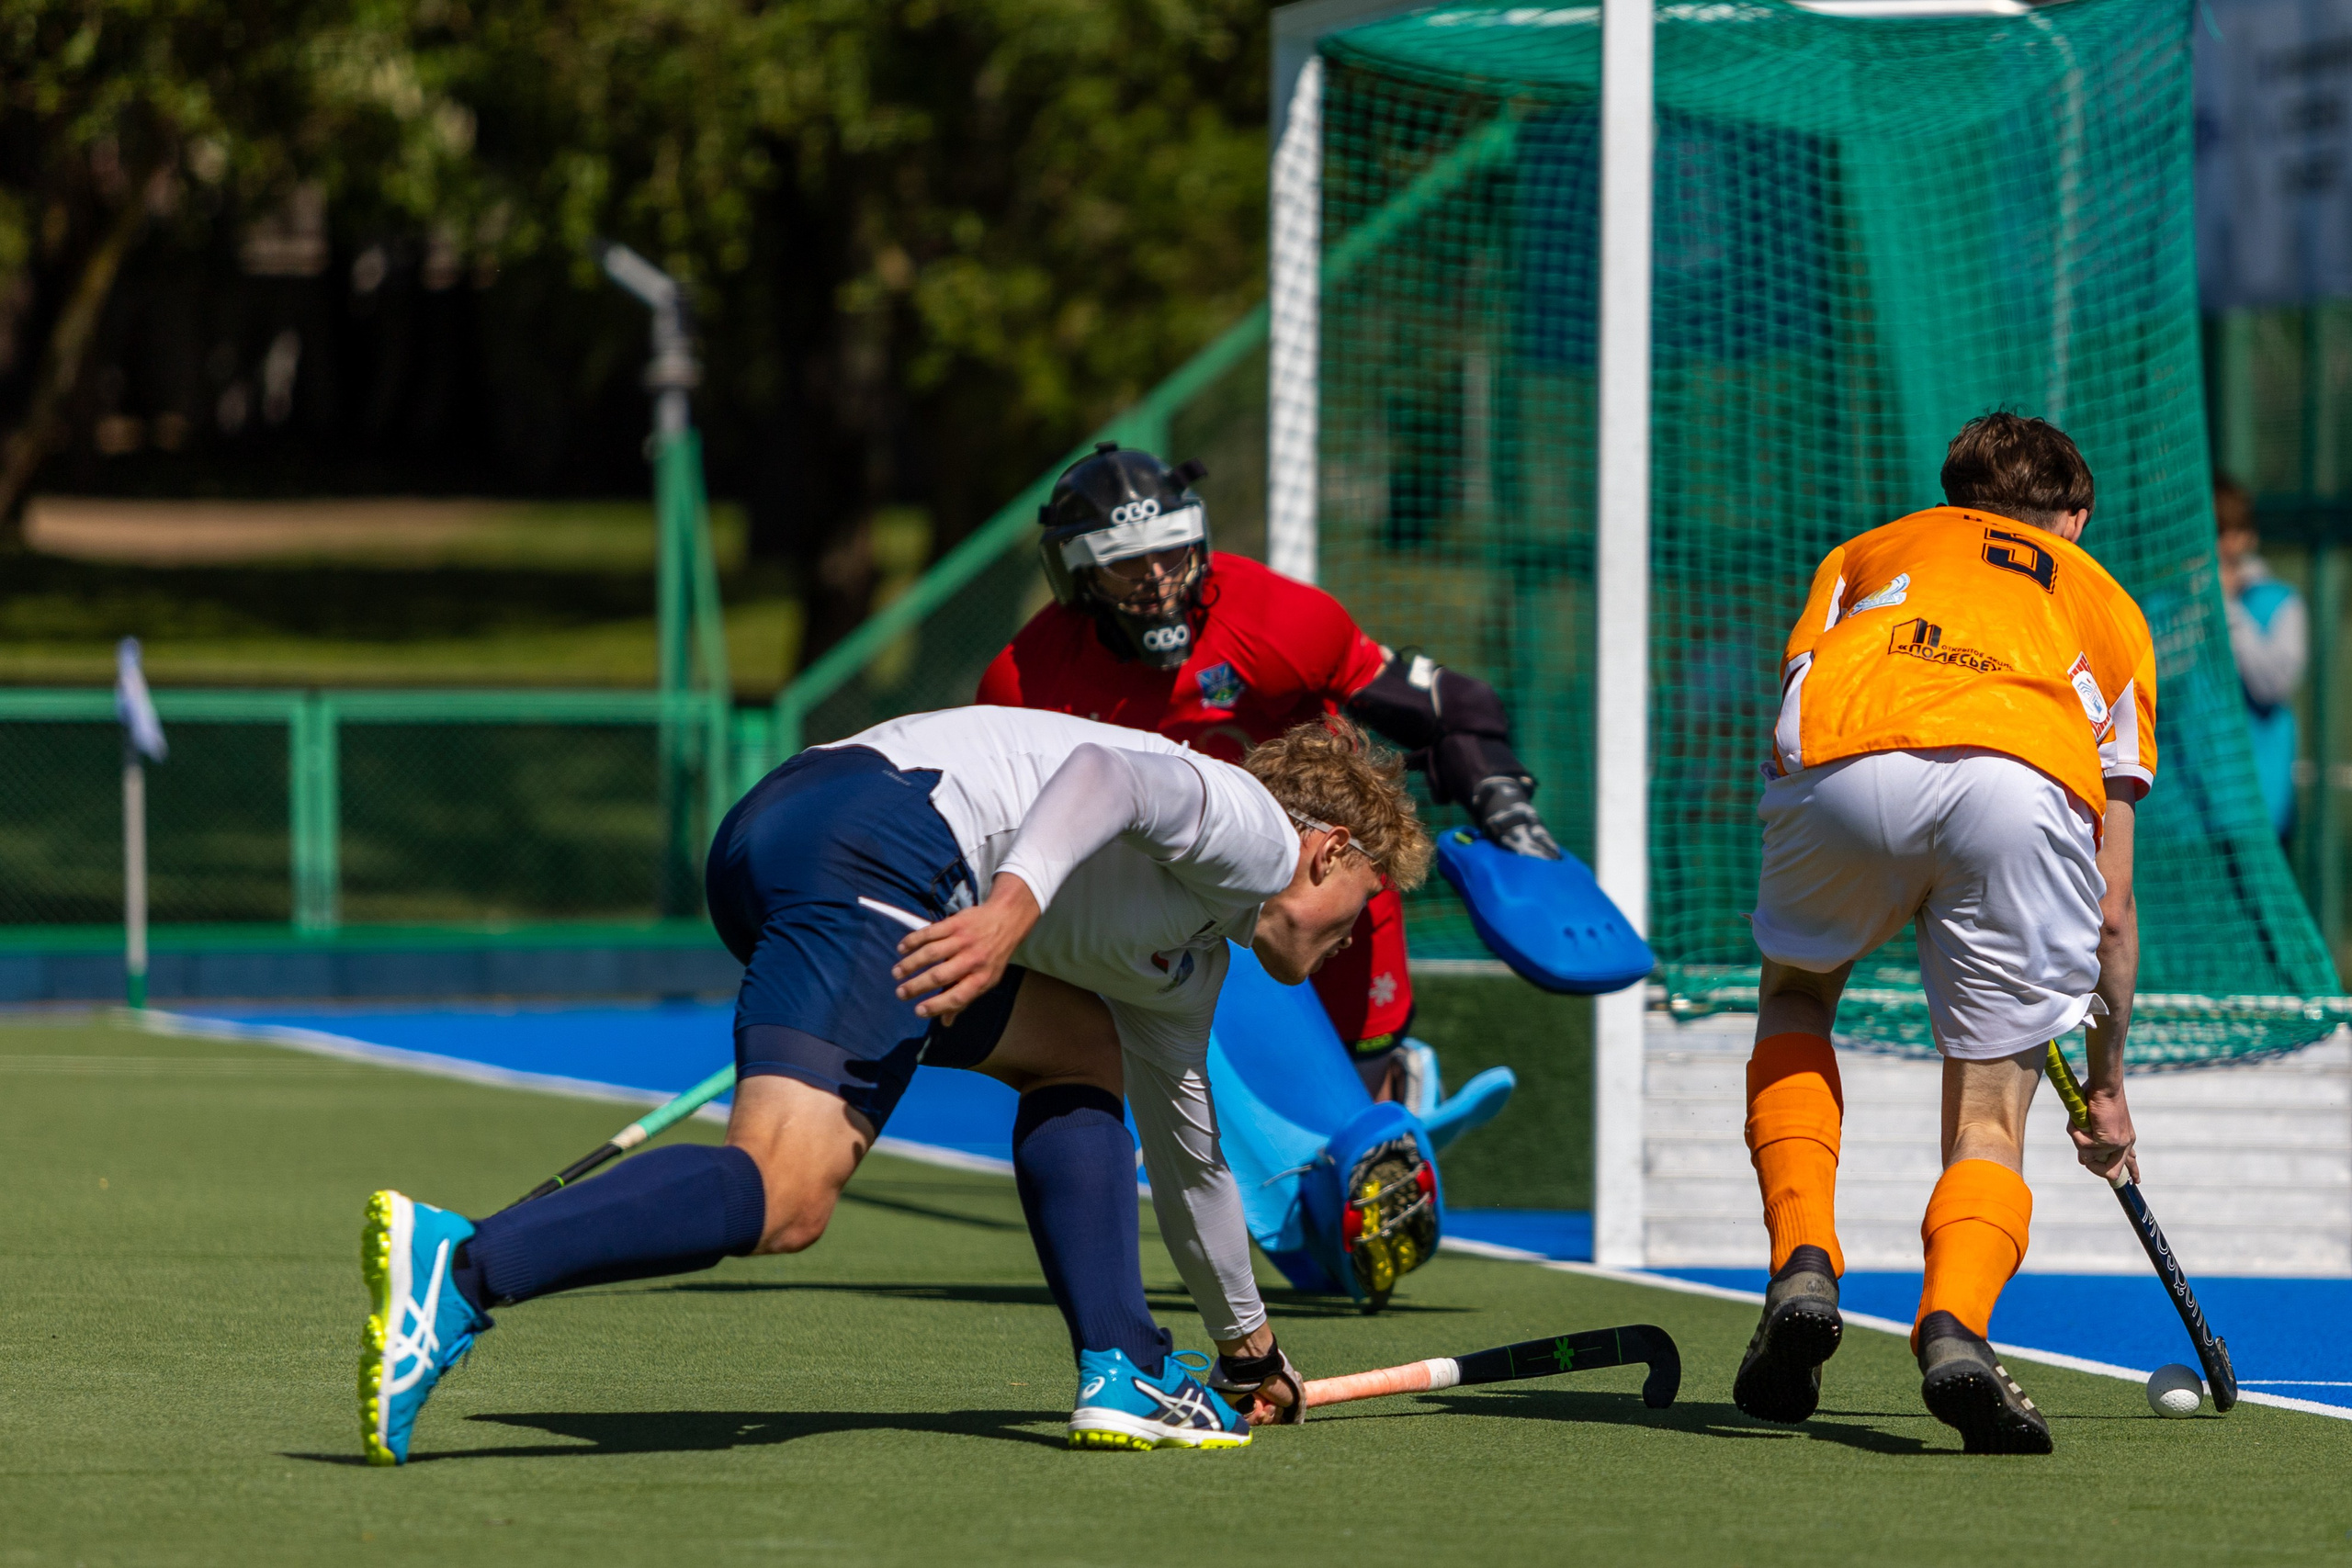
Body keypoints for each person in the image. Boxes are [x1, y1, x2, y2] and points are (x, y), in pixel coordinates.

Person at [357, 708, 1430, 1464]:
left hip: (800, 833)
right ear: (1327, 849)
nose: (1353, 939)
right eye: (1363, 905)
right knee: (784, 1194)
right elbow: (1108, 776)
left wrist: (1249, 1354)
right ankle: (463, 1270)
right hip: (887, 845)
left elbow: (1192, 1165)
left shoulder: (1182, 964)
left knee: (1078, 1049)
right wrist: (1012, 907)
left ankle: (1123, 1367)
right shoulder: (1250, 827)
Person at [1732, 412, 2149, 1454]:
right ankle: (1954, 1331)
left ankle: (1802, 1264)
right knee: (1989, 1108)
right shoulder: (2109, 607)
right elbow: (2110, 906)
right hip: (2021, 783)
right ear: (2075, 518)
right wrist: (2104, 1083)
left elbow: (1801, 685)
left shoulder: (1866, 551)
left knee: (1795, 993)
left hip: (1849, 756)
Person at [978, 442, 1562, 1111]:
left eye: (1171, 549)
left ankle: (1385, 1090)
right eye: (1126, 561)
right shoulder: (1027, 679)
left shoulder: (1270, 617)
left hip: (1312, 860)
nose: (1158, 577)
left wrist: (1504, 802)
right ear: (1078, 574)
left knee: (1357, 1084)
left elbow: (1448, 708)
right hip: (1155, 881)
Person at [2214, 475, 2307, 847]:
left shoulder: (2281, 601)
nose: (2219, 544)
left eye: (2226, 532)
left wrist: (2226, 607)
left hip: (2259, 810)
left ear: (2245, 537)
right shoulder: (2169, 604)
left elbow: (2273, 685)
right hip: (2181, 811)